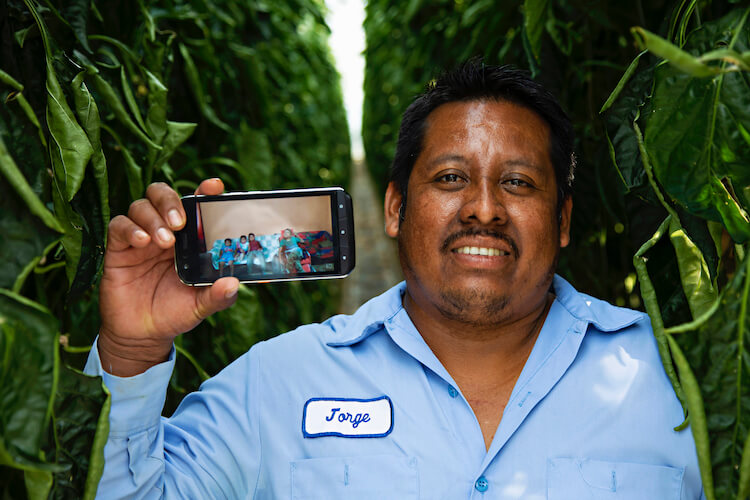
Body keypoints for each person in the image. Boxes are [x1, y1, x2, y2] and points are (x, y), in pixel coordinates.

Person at [86, 61, 704, 498]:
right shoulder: (279, 383)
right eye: (450, 178)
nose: (484, 208)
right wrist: (132, 351)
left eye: (518, 182)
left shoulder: (679, 383)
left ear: (563, 219)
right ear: (393, 209)